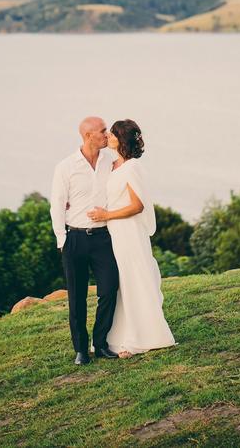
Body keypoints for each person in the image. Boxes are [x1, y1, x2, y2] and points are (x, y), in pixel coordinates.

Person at [88, 119, 176, 358]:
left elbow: (137, 206)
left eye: (113, 133)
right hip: (114, 233)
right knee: (120, 285)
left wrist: (107, 215)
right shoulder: (112, 164)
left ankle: (141, 337)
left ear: (121, 139)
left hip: (129, 232)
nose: (108, 136)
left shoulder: (132, 168)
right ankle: (118, 336)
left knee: (133, 280)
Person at [50, 116, 120, 365]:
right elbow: (57, 204)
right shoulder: (66, 167)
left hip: (103, 237)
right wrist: (63, 241)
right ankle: (81, 349)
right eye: (103, 131)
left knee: (110, 289)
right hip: (75, 239)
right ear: (89, 135)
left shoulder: (111, 163)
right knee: (77, 298)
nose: (107, 133)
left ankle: (100, 344)